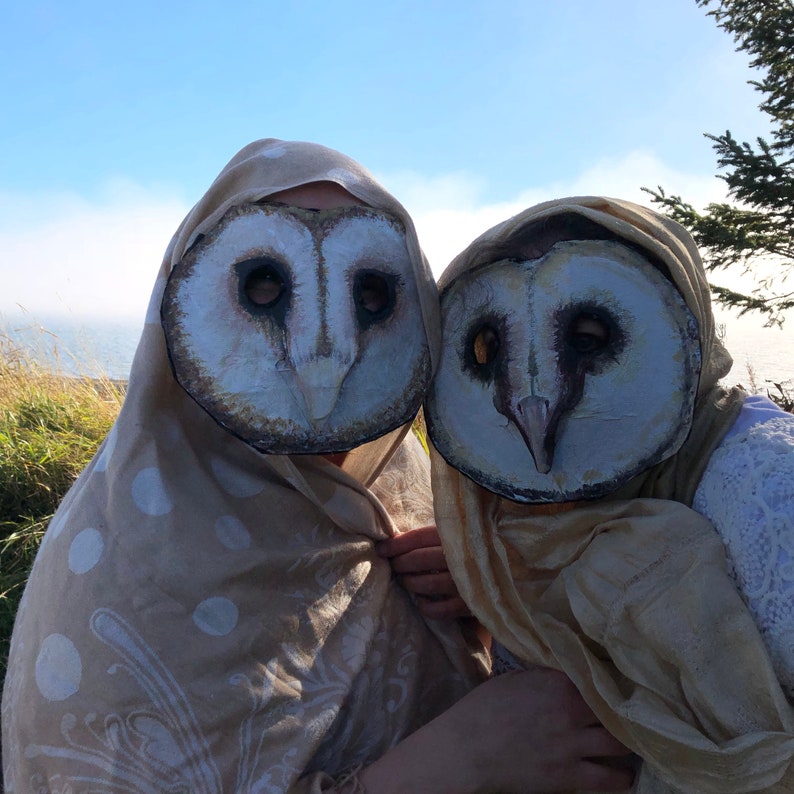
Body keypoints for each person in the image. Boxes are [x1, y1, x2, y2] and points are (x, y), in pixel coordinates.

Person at [2, 145, 634, 794]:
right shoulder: (126, 565)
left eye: (373, 293)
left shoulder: (400, 484)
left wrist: (493, 594)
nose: (326, 356)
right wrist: (448, 766)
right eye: (264, 286)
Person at [424, 196, 794, 793]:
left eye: (591, 341)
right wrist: (488, 585)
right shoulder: (504, 527)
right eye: (488, 352)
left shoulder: (766, 489)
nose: (532, 404)